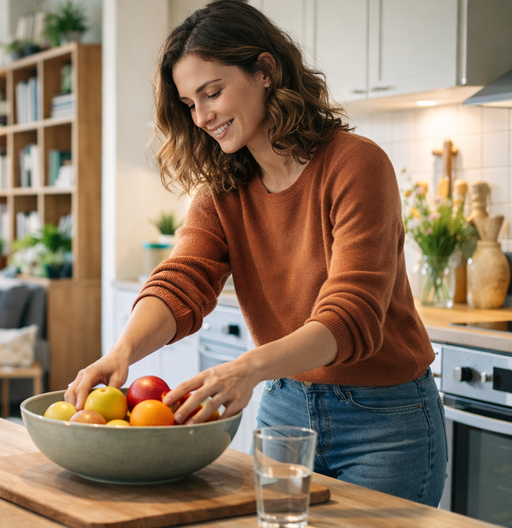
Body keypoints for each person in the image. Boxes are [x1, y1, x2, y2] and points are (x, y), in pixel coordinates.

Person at [65, 1, 446, 507]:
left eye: (212, 92)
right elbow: (182, 281)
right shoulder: (223, 190)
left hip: (384, 422)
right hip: (285, 407)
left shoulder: (356, 165)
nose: (202, 117)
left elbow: (352, 315)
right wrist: (122, 352)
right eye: (189, 103)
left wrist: (246, 368)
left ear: (265, 70)